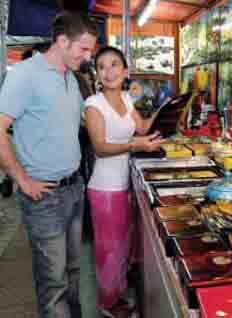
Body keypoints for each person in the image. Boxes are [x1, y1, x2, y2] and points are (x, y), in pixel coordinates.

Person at [0, 11, 97, 318]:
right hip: (44, 197)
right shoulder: (24, 74)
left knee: (72, 273)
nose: (88, 56)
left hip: (73, 189)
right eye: (83, 49)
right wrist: (22, 180)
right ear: (62, 41)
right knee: (53, 284)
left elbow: (84, 123)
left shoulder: (73, 79)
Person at [84, 46, 162, 317]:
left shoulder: (127, 100)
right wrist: (136, 144)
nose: (108, 71)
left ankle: (116, 295)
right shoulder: (93, 104)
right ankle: (106, 304)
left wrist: (169, 112)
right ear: (97, 73)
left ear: (125, 71)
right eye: (102, 66)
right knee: (109, 250)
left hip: (123, 184)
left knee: (122, 245)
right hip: (105, 189)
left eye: (114, 64)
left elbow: (142, 128)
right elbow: (101, 148)